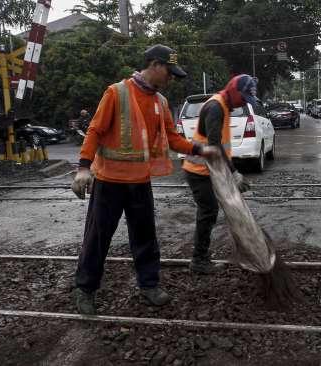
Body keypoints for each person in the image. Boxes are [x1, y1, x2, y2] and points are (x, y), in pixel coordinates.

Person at [71, 44, 215, 315]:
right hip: (109, 182)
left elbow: (172, 138)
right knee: (97, 238)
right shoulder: (117, 92)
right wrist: (83, 168)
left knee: (145, 236)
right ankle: (85, 289)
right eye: (169, 72)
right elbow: (95, 130)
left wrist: (199, 149)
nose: (171, 78)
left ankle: (149, 285)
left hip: (139, 182)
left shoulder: (159, 101)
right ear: (154, 65)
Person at [182, 74, 256, 274]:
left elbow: (220, 146)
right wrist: (234, 173)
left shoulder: (225, 106)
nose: (243, 104)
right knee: (208, 211)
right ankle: (198, 260)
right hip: (199, 170)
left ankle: (208, 256)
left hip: (212, 169)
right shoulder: (216, 107)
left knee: (222, 209)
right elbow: (214, 145)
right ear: (233, 91)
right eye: (243, 99)